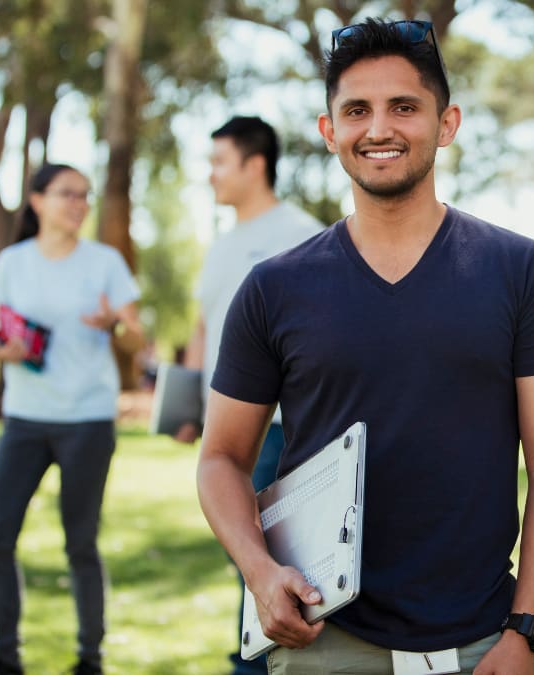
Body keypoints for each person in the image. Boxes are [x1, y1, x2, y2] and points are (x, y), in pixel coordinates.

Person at [195, 18, 534, 675]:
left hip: (486, 644)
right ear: (329, 132)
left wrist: (524, 629)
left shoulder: (522, 272)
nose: (379, 128)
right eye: (356, 110)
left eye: (404, 106)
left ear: (447, 123)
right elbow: (221, 458)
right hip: (326, 644)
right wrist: (260, 572)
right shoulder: (273, 288)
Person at [0, 163, 142, 675]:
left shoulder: (106, 262)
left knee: (80, 543)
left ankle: (89, 659)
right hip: (25, 420)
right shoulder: (11, 262)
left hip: (88, 420)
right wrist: (4, 352)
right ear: (37, 201)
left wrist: (114, 323)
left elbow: (136, 338)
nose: (78, 203)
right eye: (66, 193)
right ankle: (7, 657)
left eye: (85, 195)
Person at [174, 115, 322, 675]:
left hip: (280, 430)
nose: (210, 175)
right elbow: (203, 327)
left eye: (219, 162)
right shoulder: (222, 244)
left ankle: (253, 662)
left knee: (266, 560)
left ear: (254, 164)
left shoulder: (300, 233)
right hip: (228, 430)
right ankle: (251, 655)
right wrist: (190, 405)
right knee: (244, 556)